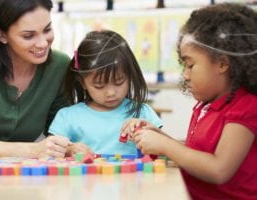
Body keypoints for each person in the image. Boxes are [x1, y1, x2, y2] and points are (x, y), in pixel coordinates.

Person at [121, 3, 257, 199]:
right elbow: (195, 155)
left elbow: (219, 169)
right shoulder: (206, 106)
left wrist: (165, 145)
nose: (185, 75)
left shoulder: (245, 106)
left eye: (190, 65)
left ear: (222, 63)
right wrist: (158, 136)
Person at [0, 0, 72, 158]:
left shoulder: (59, 66)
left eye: (47, 29)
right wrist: (33, 150)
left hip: (24, 176)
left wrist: (70, 147)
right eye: (28, 35)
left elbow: (61, 131)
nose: (43, 43)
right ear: (1, 34)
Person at [48, 30, 163, 156]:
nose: (111, 92)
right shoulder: (68, 117)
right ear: (82, 82)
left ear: (130, 75)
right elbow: (50, 151)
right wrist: (69, 150)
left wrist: (147, 130)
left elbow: (165, 149)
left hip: (134, 176)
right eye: (99, 85)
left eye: (119, 81)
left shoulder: (142, 112)